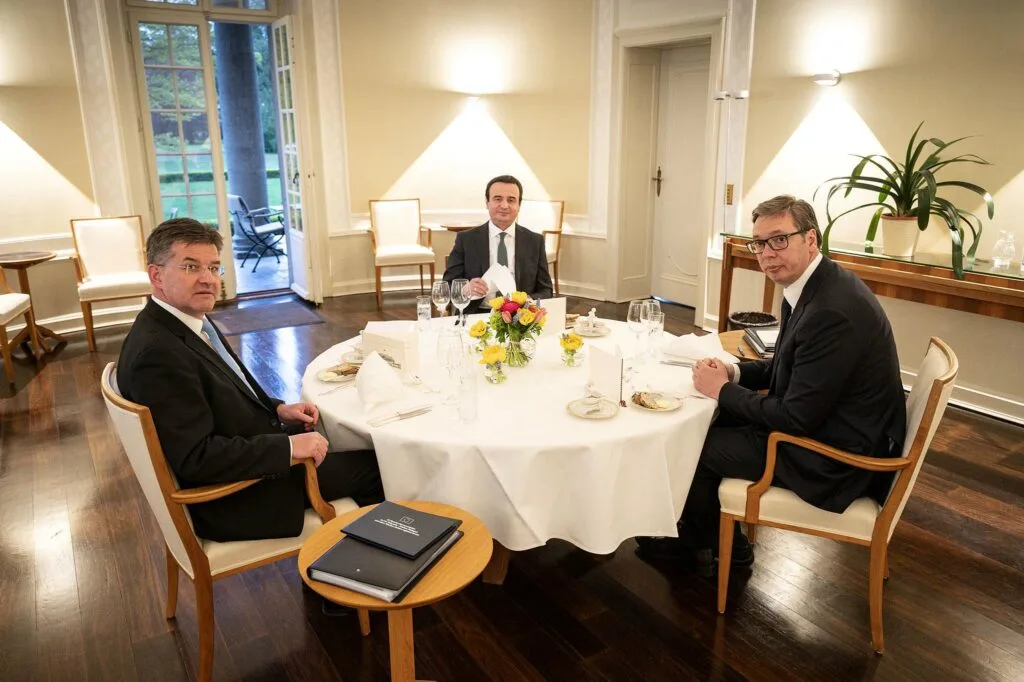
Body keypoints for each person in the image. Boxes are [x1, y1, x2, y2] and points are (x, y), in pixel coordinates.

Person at [637, 195, 906, 576]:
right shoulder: (813, 285)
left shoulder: (832, 312)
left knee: (697, 443)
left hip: (833, 458)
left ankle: (721, 549)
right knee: (709, 421)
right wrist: (733, 373)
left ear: (811, 238)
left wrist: (721, 391)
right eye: (759, 243)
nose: (766, 253)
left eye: (779, 239)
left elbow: (795, 417)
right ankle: (695, 526)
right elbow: (786, 366)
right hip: (833, 427)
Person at [117, 218, 384, 543]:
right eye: (191, 267)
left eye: (213, 268)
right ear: (156, 275)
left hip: (249, 450)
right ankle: (372, 559)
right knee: (379, 466)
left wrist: (278, 409)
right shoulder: (157, 355)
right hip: (238, 495)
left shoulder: (185, 321)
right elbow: (195, 458)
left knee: (353, 438)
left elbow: (227, 391)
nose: (208, 279)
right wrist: (288, 447)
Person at [443, 174, 553, 313]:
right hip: (476, 314)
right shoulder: (466, 239)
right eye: (498, 199)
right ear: (487, 202)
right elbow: (447, 286)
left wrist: (528, 301)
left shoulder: (535, 241)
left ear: (519, 205)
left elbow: (546, 290)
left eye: (511, 200)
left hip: (519, 317)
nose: (504, 206)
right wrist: (465, 290)